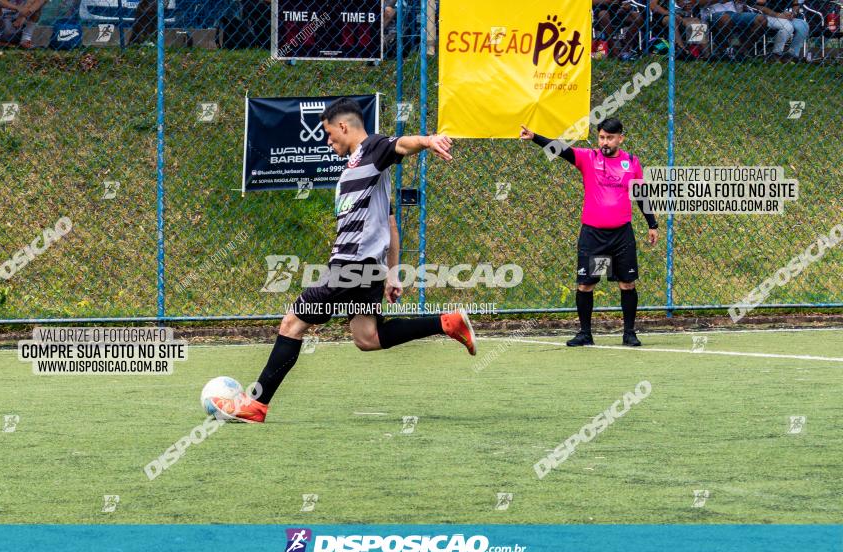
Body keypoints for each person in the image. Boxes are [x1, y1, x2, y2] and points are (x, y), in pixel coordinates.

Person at [206, 98, 477, 423]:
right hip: (368, 269)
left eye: (329, 133)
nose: (327, 140)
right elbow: (390, 224)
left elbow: (401, 144)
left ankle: (256, 404)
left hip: (352, 266)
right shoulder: (356, 171)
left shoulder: (373, 149)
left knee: (292, 324)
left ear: (344, 126)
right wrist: (391, 273)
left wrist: (427, 140)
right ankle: (447, 323)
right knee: (368, 338)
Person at [519, 118, 659, 347]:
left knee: (627, 284)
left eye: (610, 138)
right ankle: (585, 333)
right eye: (602, 137)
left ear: (620, 138)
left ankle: (629, 333)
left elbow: (641, 195)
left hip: (622, 235)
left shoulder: (632, 162)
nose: (605, 142)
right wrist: (535, 137)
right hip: (594, 235)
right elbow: (561, 150)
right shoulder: (589, 158)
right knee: (585, 285)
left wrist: (652, 225)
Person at [702, 0, 767, 60]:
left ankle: (740, 51)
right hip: (713, 14)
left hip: (735, 13)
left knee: (761, 20)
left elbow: (762, 1)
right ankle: (724, 50)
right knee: (725, 18)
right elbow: (698, 3)